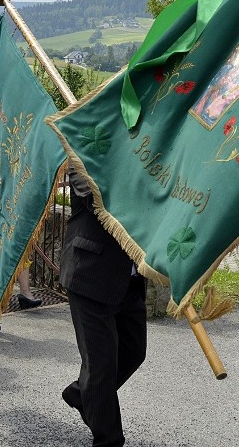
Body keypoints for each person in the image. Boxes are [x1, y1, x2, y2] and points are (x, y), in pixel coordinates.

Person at [60, 170, 146, 447]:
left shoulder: (143, 152)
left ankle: (82, 393)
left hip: (129, 277)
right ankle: (108, 439)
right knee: (101, 364)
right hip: (90, 273)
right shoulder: (84, 147)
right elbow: (95, 197)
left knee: (133, 352)